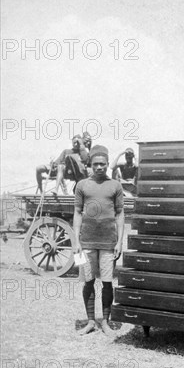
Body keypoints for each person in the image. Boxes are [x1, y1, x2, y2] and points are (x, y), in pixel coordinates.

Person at [73, 144, 125, 336]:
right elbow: (77, 213)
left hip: (108, 243)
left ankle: (105, 322)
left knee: (107, 283)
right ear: (91, 164)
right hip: (86, 243)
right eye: (96, 164)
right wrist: (77, 242)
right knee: (88, 281)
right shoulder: (82, 185)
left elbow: (120, 214)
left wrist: (119, 242)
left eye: (103, 164)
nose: (100, 167)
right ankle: (90, 322)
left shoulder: (115, 186)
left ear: (107, 164)